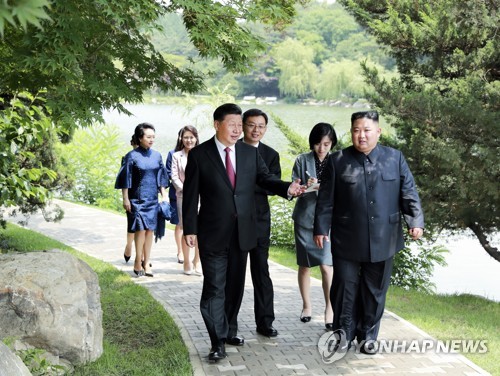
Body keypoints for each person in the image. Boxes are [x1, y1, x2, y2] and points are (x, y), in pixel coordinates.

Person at [182, 103, 305, 362]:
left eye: (240, 125)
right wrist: (189, 229)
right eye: (233, 124)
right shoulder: (200, 155)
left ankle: (228, 330)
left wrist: (288, 189)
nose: (238, 130)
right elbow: (191, 196)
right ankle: (217, 342)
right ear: (217, 124)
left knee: (234, 287)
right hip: (213, 232)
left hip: (242, 233)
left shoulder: (249, 153)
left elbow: (265, 178)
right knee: (215, 287)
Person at [313, 111, 424, 354]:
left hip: (385, 237)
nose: (361, 135)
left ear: (378, 131)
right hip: (347, 237)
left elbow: (408, 192)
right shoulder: (337, 160)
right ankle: (343, 333)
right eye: (356, 130)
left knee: (375, 291)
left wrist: (415, 220)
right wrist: (321, 228)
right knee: (343, 287)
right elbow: (325, 199)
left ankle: (367, 336)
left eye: (366, 130)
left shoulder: (394, 158)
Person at [292, 122, 336, 330]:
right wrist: (304, 187)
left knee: (327, 266)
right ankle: (306, 305)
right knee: (305, 264)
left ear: (332, 144)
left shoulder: (336, 161)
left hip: (327, 220)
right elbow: (294, 188)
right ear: (312, 143)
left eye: (326, 144)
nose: (322, 148)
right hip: (304, 218)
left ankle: (329, 307)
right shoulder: (302, 160)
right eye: (318, 144)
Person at [240, 108, 280, 337]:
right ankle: (229, 324)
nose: (256, 130)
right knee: (234, 275)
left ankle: (265, 322)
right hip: (234, 220)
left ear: (265, 129)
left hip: (260, 221)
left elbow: (271, 186)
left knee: (261, 272)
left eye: (261, 126)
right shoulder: (232, 150)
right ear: (243, 125)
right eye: (252, 125)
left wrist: (247, 183)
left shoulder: (271, 154)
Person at [115, 123, 168, 277]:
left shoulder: (157, 155)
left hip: (152, 199)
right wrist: (125, 198)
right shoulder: (131, 156)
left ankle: (147, 261)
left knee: (150, 230)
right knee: (140, 230)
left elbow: (161, 177)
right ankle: (138, 260)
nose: (152, 140)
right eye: (148, 137)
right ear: (140, 138)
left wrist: (163, 195)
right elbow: (126, 178)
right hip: (136, 199)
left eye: (153, 137)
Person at [171, 125, 202, 275]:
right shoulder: (177, 156)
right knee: (185, 227)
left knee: (201, 229)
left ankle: (197, 261)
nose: (189, 140)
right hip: (183, 197)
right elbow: (174, 177)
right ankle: (187, 262)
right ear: (181, 139)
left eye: (191, 137)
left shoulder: (203, 154)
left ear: (196, 138)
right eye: (186, 137)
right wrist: (188, 190)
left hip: (203, 197)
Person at [166, 129, 184, 264]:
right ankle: (180, 251)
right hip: (177, 194)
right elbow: (169, 174)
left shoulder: (198, 153)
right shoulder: (172, 154)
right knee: (179, 224)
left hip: (196, 196)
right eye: (184, 137)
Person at [123, 135, 139, 263]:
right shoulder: (128, 157)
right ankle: (129, 246)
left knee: (145, 229)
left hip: (146, 196)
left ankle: (143, 257)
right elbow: (125, 180)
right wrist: (125, 198)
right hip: (132, 196)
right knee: (132, 226)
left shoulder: (149, 157)